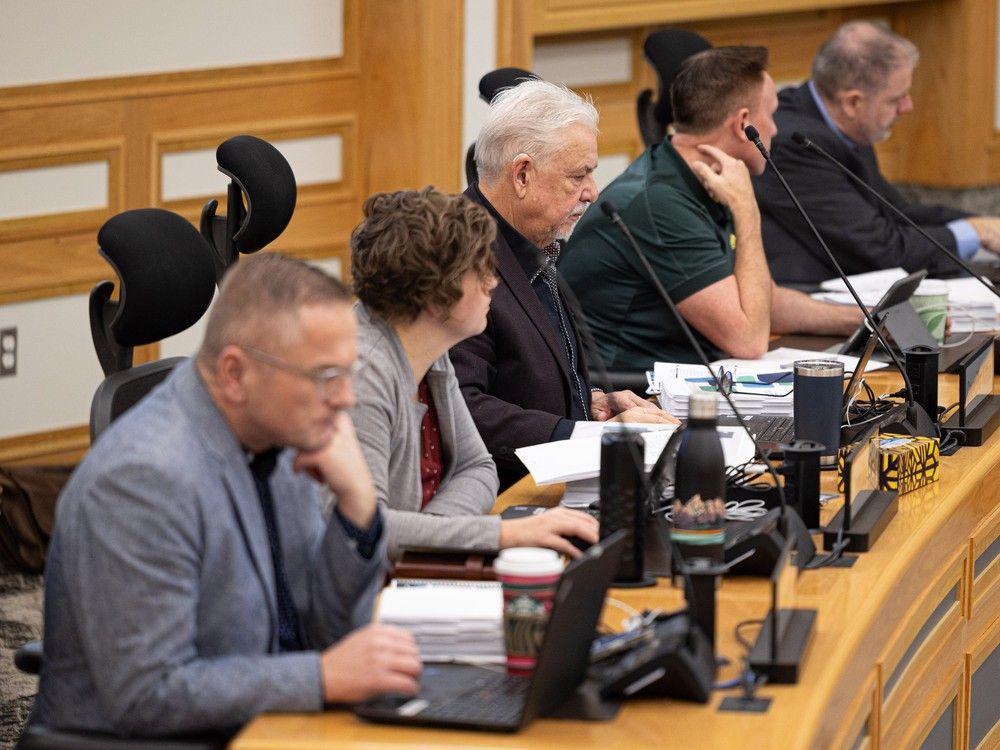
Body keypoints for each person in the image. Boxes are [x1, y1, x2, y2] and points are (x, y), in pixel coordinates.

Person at [31, 254, 421, 739]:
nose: (346, 398)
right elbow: (147, 695)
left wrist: (357, 510)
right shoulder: (142, 479)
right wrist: (322, 677)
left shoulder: (280, 437)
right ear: (235, 374)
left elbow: (325, 630)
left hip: (271, 721)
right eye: (325, 377)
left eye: (349, 374)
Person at [561, 46, 862, 370]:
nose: (775, 129)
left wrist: (862, 322)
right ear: (743, 123)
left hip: (696, 376)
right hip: (634, 391)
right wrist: (747, 210)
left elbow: (763, 301)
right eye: (771, 114)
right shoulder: (660, 203)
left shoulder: (704, 176)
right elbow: (748, 340)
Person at [349, 188, 599, 559]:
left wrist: (432, 535)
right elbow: (367, 530)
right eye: (479, 270)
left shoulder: (429, 346)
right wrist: (497, 534)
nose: (492, 283)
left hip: (423, 568)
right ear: (435, 295)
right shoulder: (362, 375)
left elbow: (478, 467)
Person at [452, 79, 676, 491]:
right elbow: (461, 408)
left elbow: (522, 377)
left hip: (560, 478)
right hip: (507, 495)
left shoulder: (534, 240)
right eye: (578, 176)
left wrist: (589, 402)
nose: (592, 192)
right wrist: (586, 436)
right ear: (522, 175)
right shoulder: (457, 257)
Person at [753, 20, 1000, 285]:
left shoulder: (847, 124)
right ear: (853, 103)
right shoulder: (794, 145)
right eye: (896, 99)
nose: (908, 106)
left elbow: (896, 212)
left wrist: (984, 224)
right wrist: (974, 232)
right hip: (808, 298)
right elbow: (880, 250)